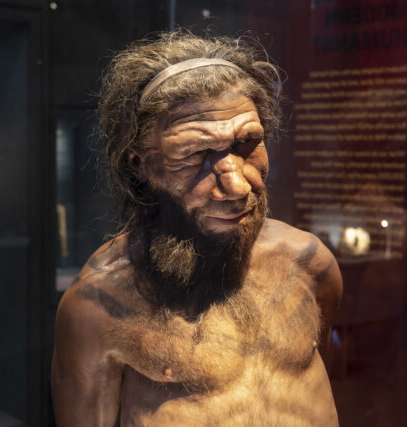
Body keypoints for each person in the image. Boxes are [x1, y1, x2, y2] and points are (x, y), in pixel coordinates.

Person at [51, 31, 342, 426]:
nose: (238, 186)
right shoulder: (99, 306)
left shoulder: (308, 263)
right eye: (195, 155)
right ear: (139, 164)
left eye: (247, 143)